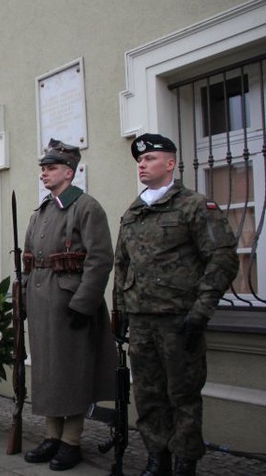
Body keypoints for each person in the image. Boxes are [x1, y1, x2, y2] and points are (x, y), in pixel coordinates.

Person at [114, 133, 238, 476]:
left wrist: (201, 310)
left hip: (179, 319)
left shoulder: (194, 206)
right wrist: (120, 311)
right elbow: (121, 265)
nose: (142, 164)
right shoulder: (133, 211)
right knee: (149, 395)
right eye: (139, 160)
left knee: (182, 395)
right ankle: (158, 458)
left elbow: (222, 258)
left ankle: (185, 462)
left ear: (170, 163)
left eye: (150, 158)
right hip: (141, 321)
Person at [22, 139, 116, 471]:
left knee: (72, 373)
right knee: (48, 371)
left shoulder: (86, 207)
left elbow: (101, 259)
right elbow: (29, 261)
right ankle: (51, 436)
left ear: (68, 171)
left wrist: (84, 304)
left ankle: (71, 441)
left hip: (69, 303)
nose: (44, 173)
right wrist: (22, 300)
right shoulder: (42, 211)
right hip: (41, 302)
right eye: (43, 168)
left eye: (50, 168)